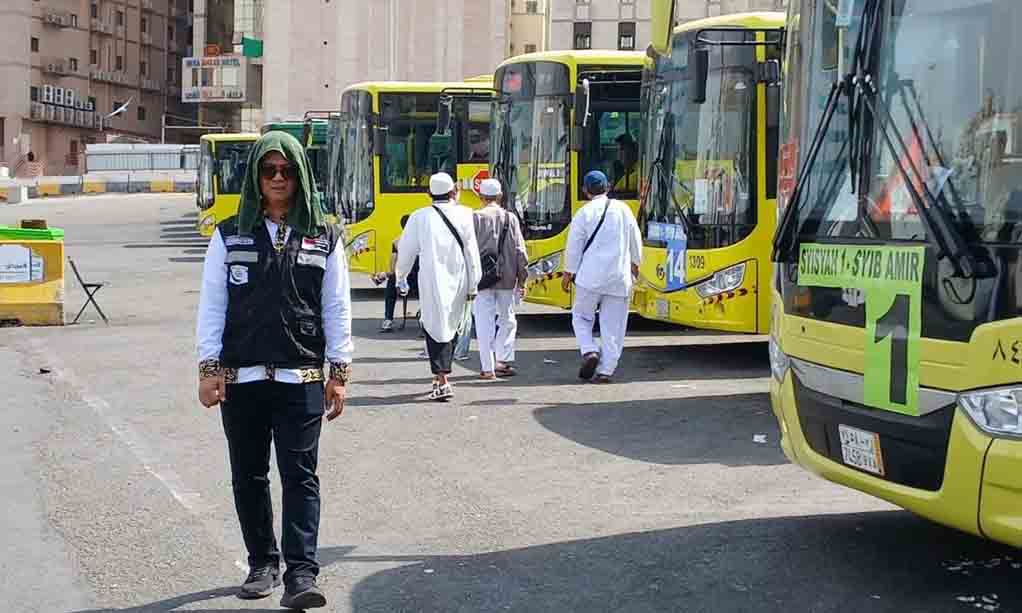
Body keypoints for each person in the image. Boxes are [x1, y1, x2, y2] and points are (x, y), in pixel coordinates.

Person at [195, 131, 353, 610]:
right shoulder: (228, 234)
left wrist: (339, 372)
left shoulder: (324, 235)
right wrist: (209, 368)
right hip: (241, 380)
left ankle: (301, 574)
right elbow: (212, 306)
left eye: (286, 171)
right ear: (256, 178)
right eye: (269, 171)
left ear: (300, 175)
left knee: (300, 474)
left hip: (300, 378)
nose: (278, 179)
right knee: (248, 474)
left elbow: (337, 307)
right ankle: (262, 562)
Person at [396, 172, 481, 400]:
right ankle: (441, 376)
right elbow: (472, 252)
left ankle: (441, 378)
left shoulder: (419, 217)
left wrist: (400, 276)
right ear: (454, 191)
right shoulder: (465, 214)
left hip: (431, 280)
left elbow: (406, 251)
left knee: (434, 326)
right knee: (452, 326)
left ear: (429, 193)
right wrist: (474, 282)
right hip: (460, 278)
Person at [561, 170, 642, 383]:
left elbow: (574, 246)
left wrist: (568, 272)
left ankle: (589, 350)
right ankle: (606, 370)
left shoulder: (584, 213)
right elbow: (636, 239)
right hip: (618, 277)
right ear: (608, 187)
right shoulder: (624, 209)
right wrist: (636, 264)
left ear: (585, 190)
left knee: (581, 317)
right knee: (613, 325)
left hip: (590, 277)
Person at [472, 178, 528, 379]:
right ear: (500, 196)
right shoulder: (510, 218)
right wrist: (522, 279)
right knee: (507, 320)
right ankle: (501, 360)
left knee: (483, 321)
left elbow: (467, 251)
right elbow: (520, 251)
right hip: (506, 277)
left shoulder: (475, 217)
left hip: (481, 279)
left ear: (480, 197)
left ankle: (487, 368)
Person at [374, 215, 418, 332]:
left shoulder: (397, 242)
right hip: (421, 284)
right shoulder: (422, 241)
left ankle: (388, 319)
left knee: (391, 285)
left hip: (403, 284)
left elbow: (393, 268)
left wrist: (386, 274)